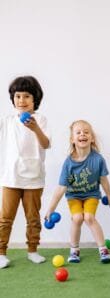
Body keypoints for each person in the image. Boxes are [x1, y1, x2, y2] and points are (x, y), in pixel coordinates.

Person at [45, 120, 110, 263]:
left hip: (92, 195)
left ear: (92, 138)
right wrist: (50, 209)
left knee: (89, 218)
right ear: (72, 139)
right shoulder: (69, 163)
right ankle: (74, 251)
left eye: (86, 132)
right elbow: (61, 188)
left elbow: (104, 180)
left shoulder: (98, 159)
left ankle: (103, 250)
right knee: (77, 218)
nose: (82, 134)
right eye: (78, 132)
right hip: (74, 196)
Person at [0, 76, 50, 269]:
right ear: (13, 98)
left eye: (26, 96)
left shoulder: (41, 120)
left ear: (35, 99)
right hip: (11, 177)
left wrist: (35, 128)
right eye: (18, 96)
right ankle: (1, 253)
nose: (21, 100)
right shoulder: (8, 121)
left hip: (34, 178)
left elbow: (46, 144)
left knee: (33, 217)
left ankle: (32, 251)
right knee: (5, 218)